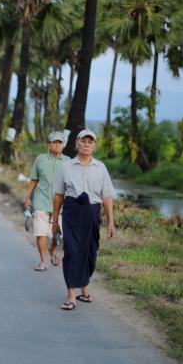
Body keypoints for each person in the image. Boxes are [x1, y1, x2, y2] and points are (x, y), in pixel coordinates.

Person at [51, 129, 115, 311]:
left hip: (92, 213)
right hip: (71, 212)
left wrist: (111, 221)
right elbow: (58, 196)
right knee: (71, 251)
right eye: (83, 141)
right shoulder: (66, 167)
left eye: (90, 142)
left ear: (94, 146)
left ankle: (84, 287)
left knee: (90, 252)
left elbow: (107, 197)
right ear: (76, 144)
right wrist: (55, 221)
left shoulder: (101, 167)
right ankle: (71, 294)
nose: (87, 144)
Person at [25, 131, 70, 271]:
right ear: (49, 144)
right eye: (54, 142)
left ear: (63, 145)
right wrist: (28, 197)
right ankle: (43, 261)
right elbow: (34, 179)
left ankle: (52, 250)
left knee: (56, 236)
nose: (57, 145)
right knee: (40, 232)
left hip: (60, 205)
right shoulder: (40, 159)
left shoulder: (69, 162)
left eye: (59, 142)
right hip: (41, 201)